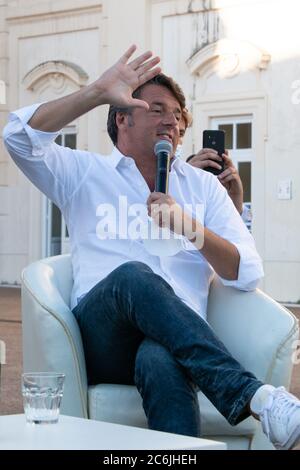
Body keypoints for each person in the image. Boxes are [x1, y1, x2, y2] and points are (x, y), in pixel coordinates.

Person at [3, 45, 300, 450]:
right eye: (157, 109)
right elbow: (18, 138)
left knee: (159, 359)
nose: (172, 122)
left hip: (175, 342)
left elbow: (245, 271)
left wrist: (189, 227)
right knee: (133, 276)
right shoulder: (83, 173)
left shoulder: (203, 187)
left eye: (178, 116)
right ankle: (254, 395)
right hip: (103, 335)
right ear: (121, 116)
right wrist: (97, 91)